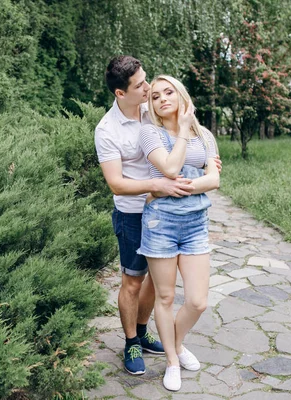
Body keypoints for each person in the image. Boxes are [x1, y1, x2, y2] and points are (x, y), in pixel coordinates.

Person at [94, 56, 197, 375]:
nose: (149, 87)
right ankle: (130, 342)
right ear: (120, 93)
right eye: (140, 85)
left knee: (157, 280)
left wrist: (205, 163)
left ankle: (142, 330)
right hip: (133, 216)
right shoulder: (107, 130)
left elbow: (185, 140)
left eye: (146, 79)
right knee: (133, 281)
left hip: (165, 210)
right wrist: (156, 184)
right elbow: (116, 183)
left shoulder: (153, 109)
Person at [137, 75, 220, 391]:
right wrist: (183, 131)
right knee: (167, 296)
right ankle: (172, 360)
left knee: (197, 301)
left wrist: (177, 189)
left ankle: (178, 342)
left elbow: (214, 180)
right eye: (155, 96)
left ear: (181, 95)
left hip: (196, 223)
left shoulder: (205, 135)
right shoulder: (150, 133)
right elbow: (169, 169)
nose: (161, 99)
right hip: (161, 225)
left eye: (168, 92)